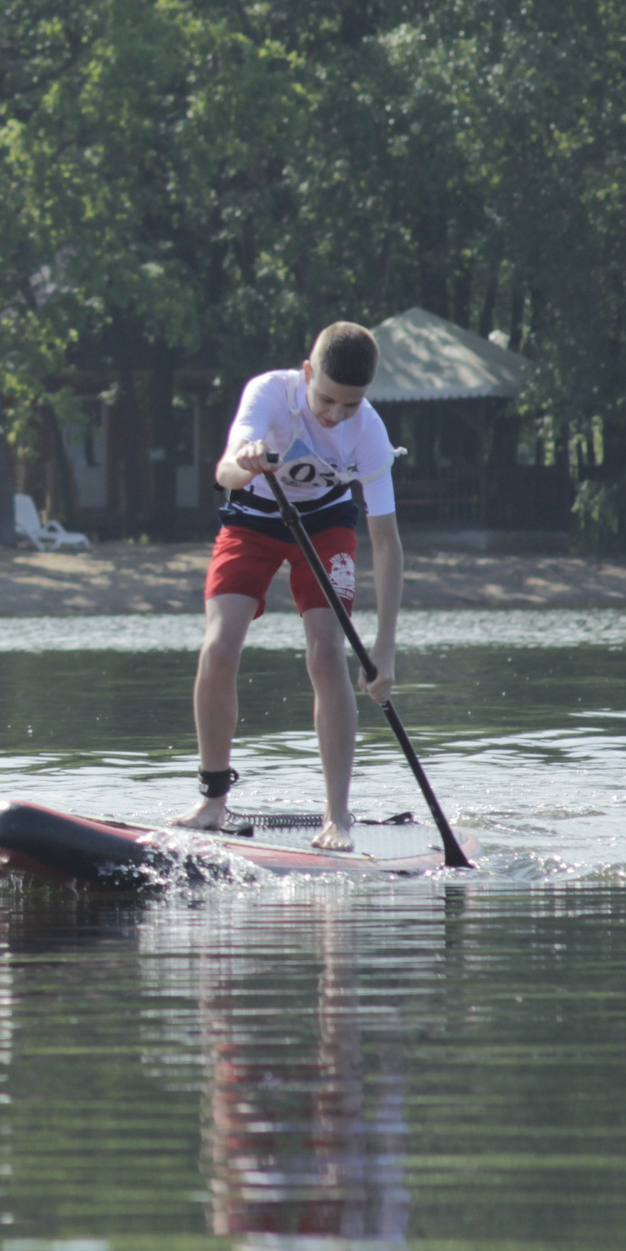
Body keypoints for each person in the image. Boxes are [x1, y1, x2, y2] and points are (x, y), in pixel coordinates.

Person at [175, 321, 401, 852]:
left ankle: (337, 818)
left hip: (324, 526)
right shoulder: (268, 393)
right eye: (326, 400)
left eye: (349, 406)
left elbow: (387, 544)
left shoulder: (369, 432)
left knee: (327, 654)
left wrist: (385, 651)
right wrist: (246, 459)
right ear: (306, 374)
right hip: (253, 518)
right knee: (218, 647)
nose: (335, 415)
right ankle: (212, 801)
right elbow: (225, 470)